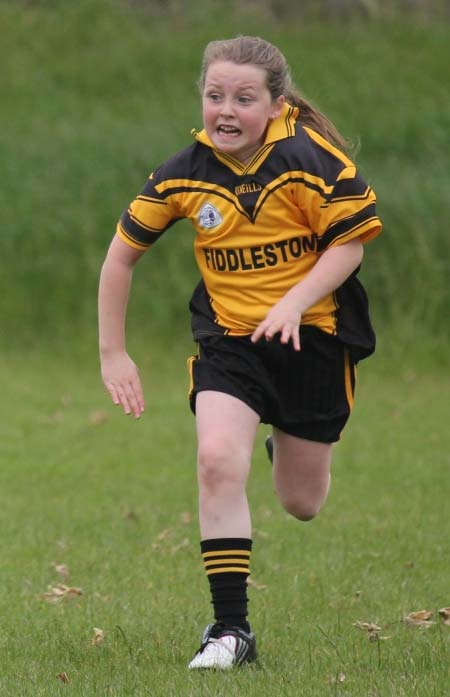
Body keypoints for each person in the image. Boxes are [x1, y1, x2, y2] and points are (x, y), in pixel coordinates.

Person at [98, 35, 382, 670]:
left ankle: (288, 439)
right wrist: (113, 354)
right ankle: (231, 631)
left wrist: (293, 301)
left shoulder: (311, 160)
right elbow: (120, 256)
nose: (226, 110)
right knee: (217, 460)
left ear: (277, 105)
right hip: (230, 342)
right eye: (214, 95)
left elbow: (349, 248)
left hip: (315, 341)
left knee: (300, 503)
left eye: (244, 99)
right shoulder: (182, 173)